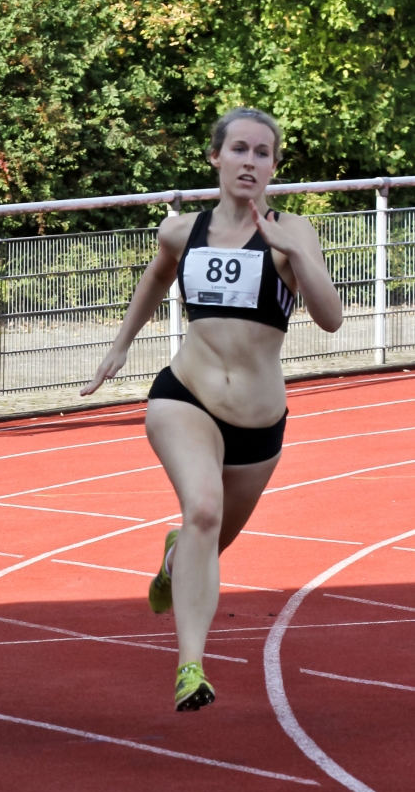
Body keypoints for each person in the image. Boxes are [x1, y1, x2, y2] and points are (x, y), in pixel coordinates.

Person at [81, 107, 342, 711]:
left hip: (258, 424)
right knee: (202, 508)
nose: (250, 161)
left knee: (207, 542)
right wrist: (120, 348)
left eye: (262, 153)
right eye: (240, 150)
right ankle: (190, 667)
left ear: (274, 166)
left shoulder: (293, 230)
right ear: (215, 158)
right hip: (185, 394)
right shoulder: (182, 231)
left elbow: (331, 319)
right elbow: (154, 278)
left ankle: (174, 560)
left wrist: (294, 256)